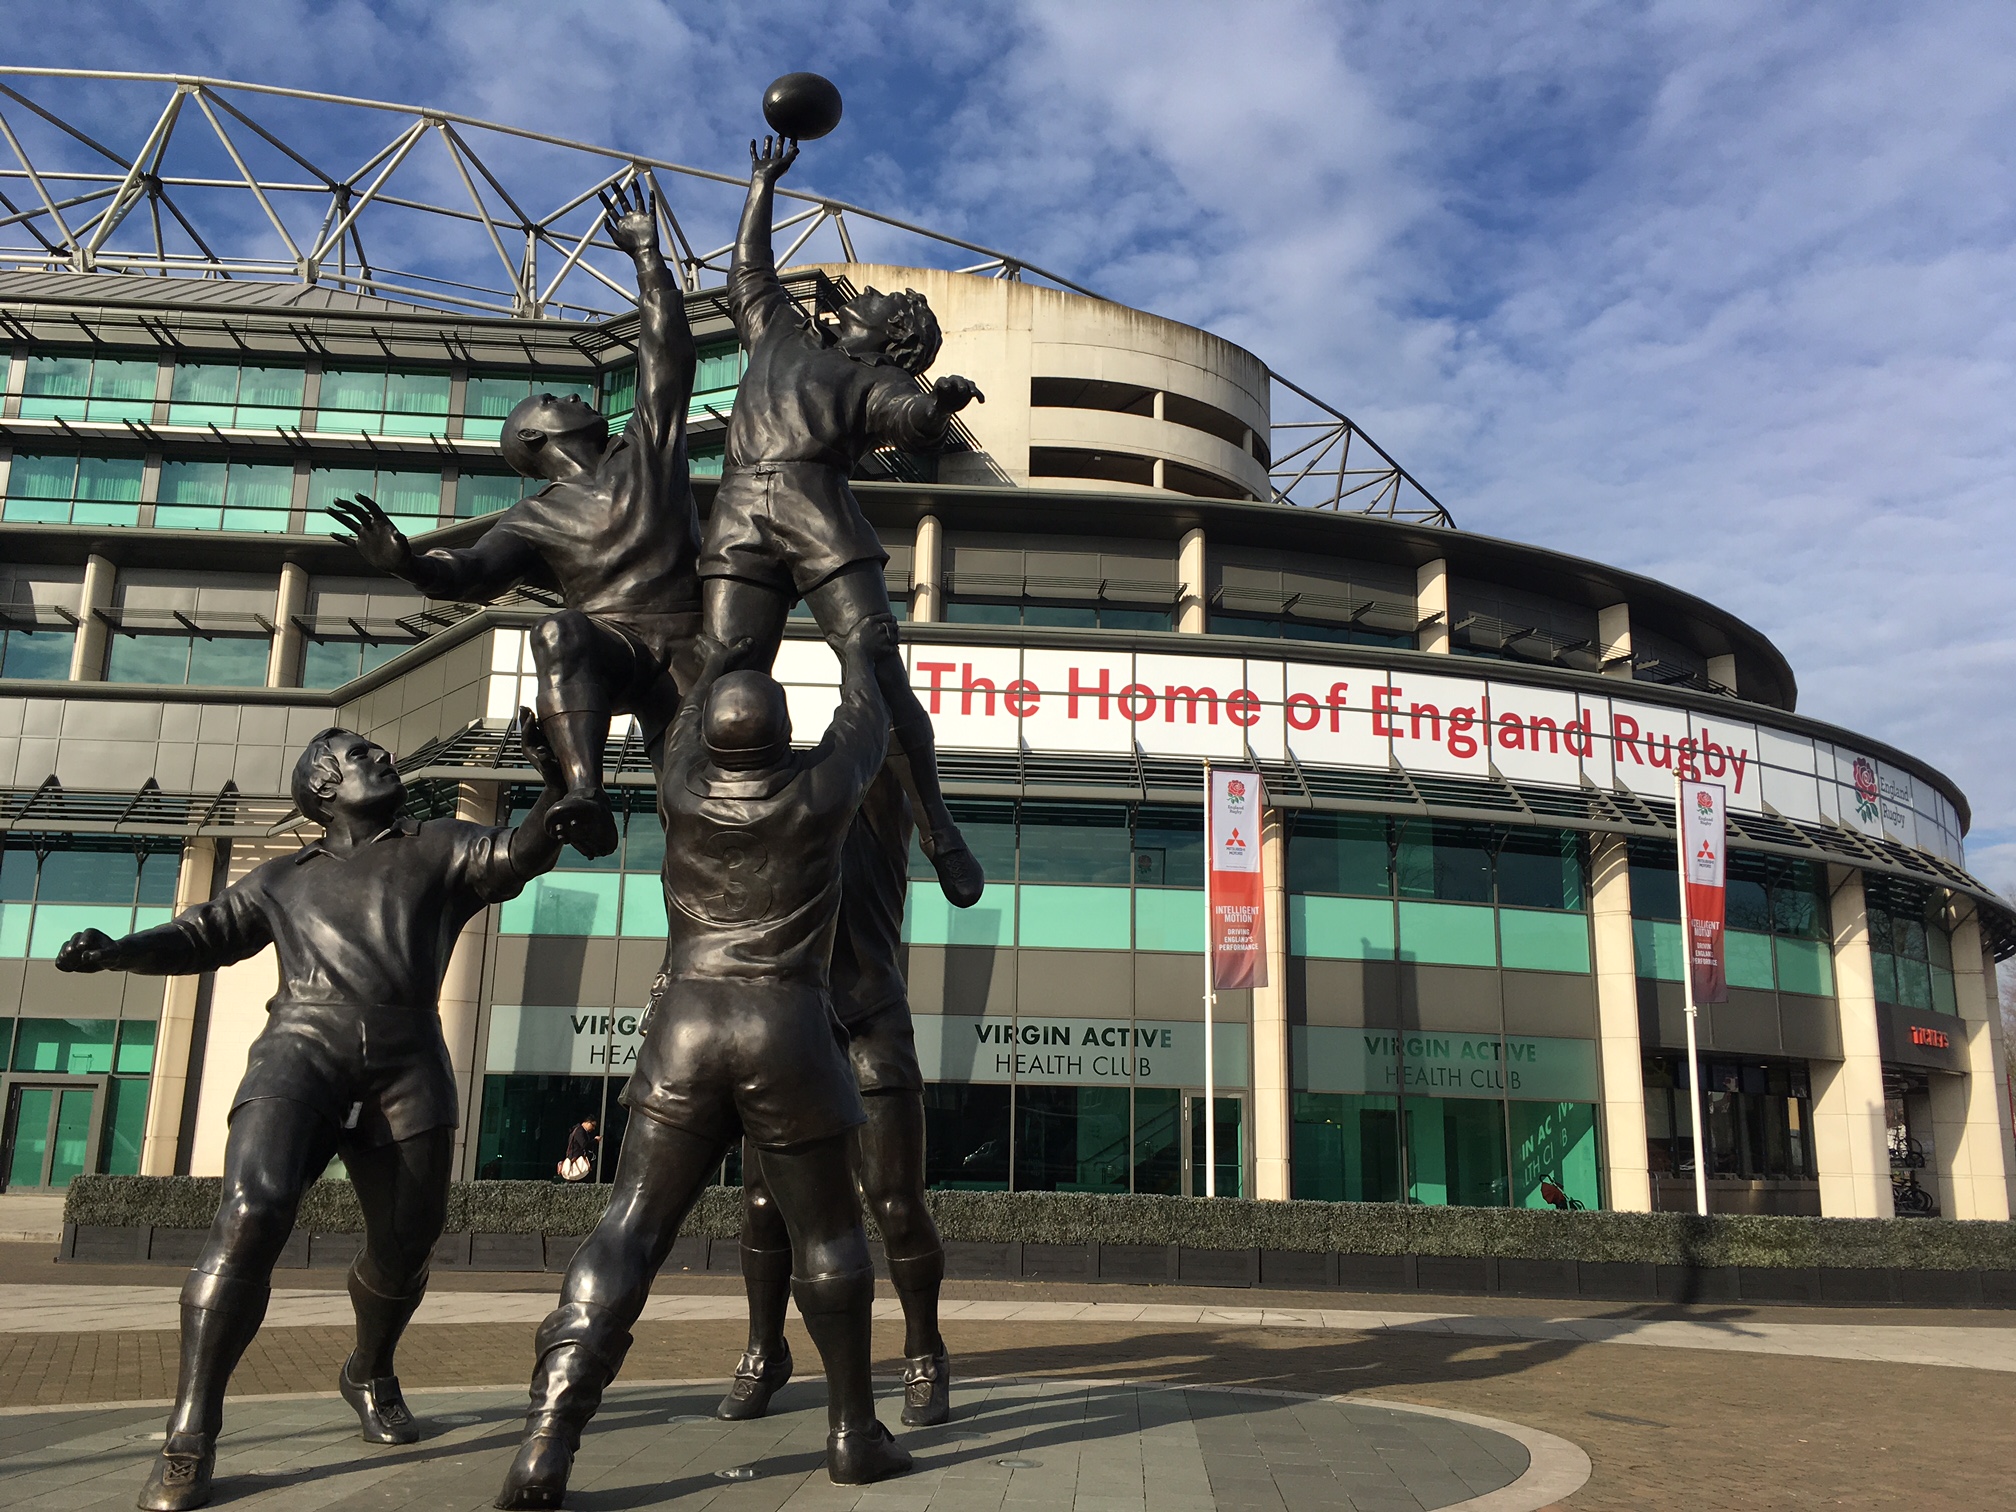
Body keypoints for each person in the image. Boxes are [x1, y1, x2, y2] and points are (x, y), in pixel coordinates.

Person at [57, 716, 568, 1512]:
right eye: (362, 755)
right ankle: (191, 1432)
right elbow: (202, 934)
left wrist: (559, 785)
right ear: (323, 787)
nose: (384, 758)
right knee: (252, 1211)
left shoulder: (439, 842)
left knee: (408, 1241)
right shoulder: (279, 878)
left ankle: (368, 1367)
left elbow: (523, 852)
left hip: (408, 1059)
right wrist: (119, 949)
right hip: (300, 1050)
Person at [495, 624, 911, 1508]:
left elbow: (682, 720)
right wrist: (853, 649)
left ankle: (548, 1436)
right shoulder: (818, 796)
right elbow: (866, 720)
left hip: (685, 1028)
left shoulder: (681, 791)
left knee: (627, 1230)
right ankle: (851, 1434)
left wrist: (729, 643)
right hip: (788, 1026)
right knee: (831, 1236)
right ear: (784, 740)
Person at [329, 181, 702, 860]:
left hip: (695, 643)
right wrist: (408, 562)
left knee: (701, 804)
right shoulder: (532, 518)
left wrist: (649, 257)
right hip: (615, 648)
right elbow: (469, 572)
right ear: (534, 441)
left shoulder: (646, 452)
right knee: (559, 629)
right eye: (552, 398)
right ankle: (585, 794)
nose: (570, 395)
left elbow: (667, 357)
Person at [700, 135, 985, 909]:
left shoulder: (876, 380)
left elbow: (913, 416)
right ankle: (713, 845)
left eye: (882, 303)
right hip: (737, 512)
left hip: (816, 509)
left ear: (893, 338)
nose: (862, 296)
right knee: (720, 667)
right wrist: (759, 184)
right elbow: (748, 272)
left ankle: (938, 827)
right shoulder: (778, 333)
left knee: (872, 659)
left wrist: (940, 403)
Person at [718, 755, 949, 1427]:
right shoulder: (770, 810)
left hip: (872, 1020)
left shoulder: (876, 789)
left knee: (895, 1203)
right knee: (763, 1204)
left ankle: (924, 1352)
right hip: (790, 1027)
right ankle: (765, 1350)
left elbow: (895, 713)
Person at [558, 1118, 598, 1183]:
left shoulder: (578, 1130)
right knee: (577, 1179)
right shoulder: (580, 1131)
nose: (593, 1128)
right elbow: (584, 1144)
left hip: (574, 1158)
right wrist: (595, 1141)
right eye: (593, 1125)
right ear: (587, 1122)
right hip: (575, 1159)